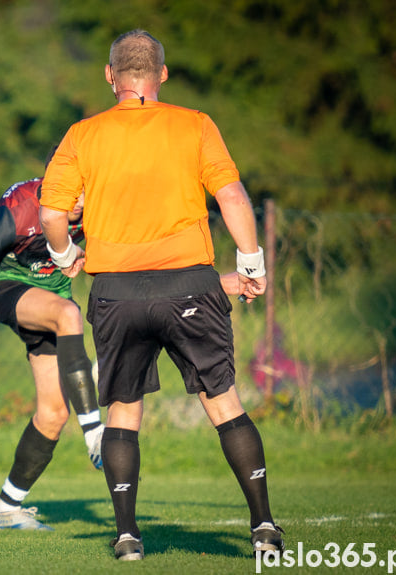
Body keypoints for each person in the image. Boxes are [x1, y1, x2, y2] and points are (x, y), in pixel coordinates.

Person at [39, 29, 283, 560]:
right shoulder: (194, 125)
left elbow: (52, 215)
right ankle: (263, 526)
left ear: (110, 77)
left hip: (116, 291)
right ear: (162, 75)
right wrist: (251, 263)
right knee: (223, 403)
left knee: (123, 412)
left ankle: (128, 536)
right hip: (189, 284)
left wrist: (63, 257)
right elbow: (234, 196)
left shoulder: (82, 134)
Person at [0, 173, 104, 531]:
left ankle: (6, 507)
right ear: (49, 185)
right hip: (4, 288)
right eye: (67, 193)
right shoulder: (18, 212)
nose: (77, 202)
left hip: (51, 297)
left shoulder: (98, 206)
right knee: (69, 313)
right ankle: (95, 432)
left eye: (82, 192)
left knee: (53, 413)